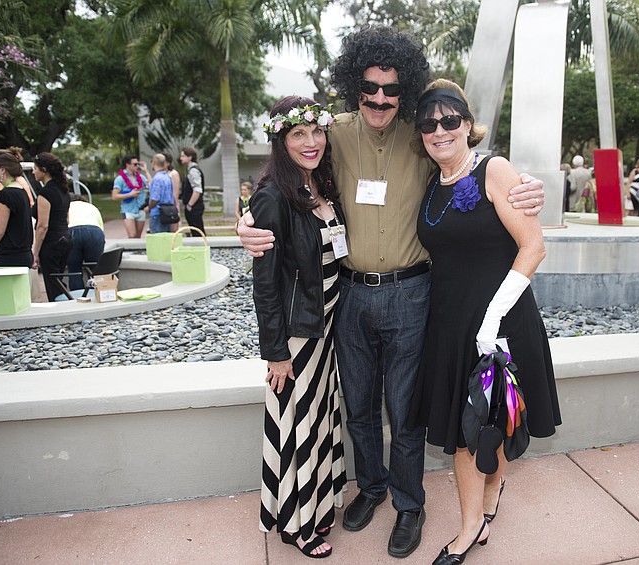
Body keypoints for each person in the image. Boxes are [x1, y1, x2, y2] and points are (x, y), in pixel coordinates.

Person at [239, 26, 545, 559]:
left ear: (404, 91)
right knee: (357, 405)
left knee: (405, 410)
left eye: (391, 90)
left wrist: (527, 185)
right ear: (354, 86)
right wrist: (246, 222)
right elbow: (288, 172)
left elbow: (468, 161)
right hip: (350, 295)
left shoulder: (423, 133)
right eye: (369, 89)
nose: (380, 99)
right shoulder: (329, 133)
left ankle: (409, 503)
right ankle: (372, 487)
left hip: (413, 293)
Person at [406, 79, 561, 565]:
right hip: (451, 324)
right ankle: (490, 502)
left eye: (450, 119)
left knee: (472, 429)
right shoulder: (432, 182)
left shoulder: (494, 169)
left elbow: (534, 247)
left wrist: (491, 320)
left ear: (468, 125)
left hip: (501, 321)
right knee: (482, 421)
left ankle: (469, 528)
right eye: (429, 123)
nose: (440, 129)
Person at [253, 96, 344, 560]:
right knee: (298, 428)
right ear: (280, 139)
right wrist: (276, 351)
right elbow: (265, 284)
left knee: (318, 422)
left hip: (326, 330)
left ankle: (318, 504)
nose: (310, 142)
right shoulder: (271, 196)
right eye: (297, 134)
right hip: (297, 336)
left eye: (315, 132)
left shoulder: (321, 185)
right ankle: (297, 524)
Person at [0, 148, 34, 267]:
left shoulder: (5, 194)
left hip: (10, 256)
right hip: (23, 253)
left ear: (2, 169)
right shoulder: (21, 191)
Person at [31, 152, 71, 301]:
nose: (33, 172)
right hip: (65, 238)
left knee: (53, 284)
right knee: (58, 281)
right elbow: (66, 219)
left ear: (44, 170)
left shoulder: (46, 193)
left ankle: (61, 313)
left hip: (52, 242)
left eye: (35, 168)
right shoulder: (63, 190)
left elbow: (42, 225)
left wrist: (35, 252)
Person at [66, 195, 105, 291]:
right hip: (94, 230)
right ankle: (97, 295)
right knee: (96, 269)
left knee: (74, 270)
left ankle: (78, 299)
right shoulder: (91, 207)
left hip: (71, 231)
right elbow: (101, 229)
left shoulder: (65, 206)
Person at [112, 155, 149, 238]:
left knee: (138, 236)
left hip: (140, 209)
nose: (137, 166)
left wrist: (146, 171)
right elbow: (114, 196)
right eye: (135, 164)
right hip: (128, 209)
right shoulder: (120, 179)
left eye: (138, 164)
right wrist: (130, 194)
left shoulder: (141, 177)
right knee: (132, 236)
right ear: (127, 165)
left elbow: (152, 185)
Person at [145, 153, 178, 234]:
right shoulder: (168, 177)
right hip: (167, 213)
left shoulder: (157, 178)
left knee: (157, 239)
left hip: (157, 213)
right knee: (166, 238)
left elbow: (155, 198)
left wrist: (149, 207)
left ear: (154, 163)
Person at [179, 147, 205, 235]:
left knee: (197, 230)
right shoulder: (191, 169)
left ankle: (201, 246)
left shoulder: (193, 170)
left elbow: (197, 189)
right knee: (195, 230)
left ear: (190, 157)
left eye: (183, 156)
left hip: (194, 207)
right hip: (194, 206)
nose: (181, 158)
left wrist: (190, 204)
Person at [164, 153, 182, 233]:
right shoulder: (162, 174)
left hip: (171, 204)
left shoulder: (173, 173)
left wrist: (174, 205)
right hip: (163, 204)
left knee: (174, 229)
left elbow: (176, 191)